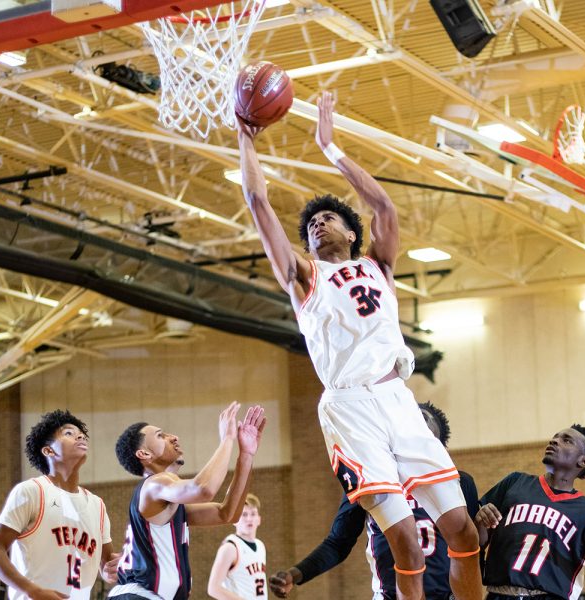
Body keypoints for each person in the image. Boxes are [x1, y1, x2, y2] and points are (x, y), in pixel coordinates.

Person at [236, 91, 482, 600]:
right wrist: (246, 139)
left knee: (462, 528)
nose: (316, 225)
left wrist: (330, 147)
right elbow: (258, 202)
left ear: (352, 232)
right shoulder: (306, 278)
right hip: (350, 404)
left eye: (327, 219)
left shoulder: (379, 265)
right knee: (406, 544)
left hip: (396, 397)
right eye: (309, 227)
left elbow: (384, 206)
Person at [268, 402, 481, 600]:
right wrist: (296, 574)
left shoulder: (460, 483)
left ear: (439, 448)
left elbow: (474, 548)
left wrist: (484, 516)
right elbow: (338, 542)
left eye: (423, 423)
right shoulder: (370, 482)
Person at [109, 402, 266, 600]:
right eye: (160, 435)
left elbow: (227, 513)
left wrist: (246, 455)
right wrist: (227, 439)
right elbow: (204, 489)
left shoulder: (169, 504)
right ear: (144, 454)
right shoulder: (154, 484)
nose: (173, 437)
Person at [0, 409, 120, 600]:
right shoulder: (31, 491)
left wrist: (116, 567)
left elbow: (106, 568)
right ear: (48, 450)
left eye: (80, 434)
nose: (79, 436)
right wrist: (34, 591)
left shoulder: (97, 505)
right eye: (69, 433)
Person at [475, 424, 585, 600]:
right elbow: (478, 541)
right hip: (499, 594)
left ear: (583, 461)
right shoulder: (514, 483)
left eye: (566, 440)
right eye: (555, 437)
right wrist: (479, 521)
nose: (554, 441)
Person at [207, 494, 268, 600]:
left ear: (259, 519)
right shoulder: (230, 548)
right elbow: (213, 589)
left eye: (253, 514)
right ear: (234, 520)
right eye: (244, 514)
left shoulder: (260, 545)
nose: (249, 519)